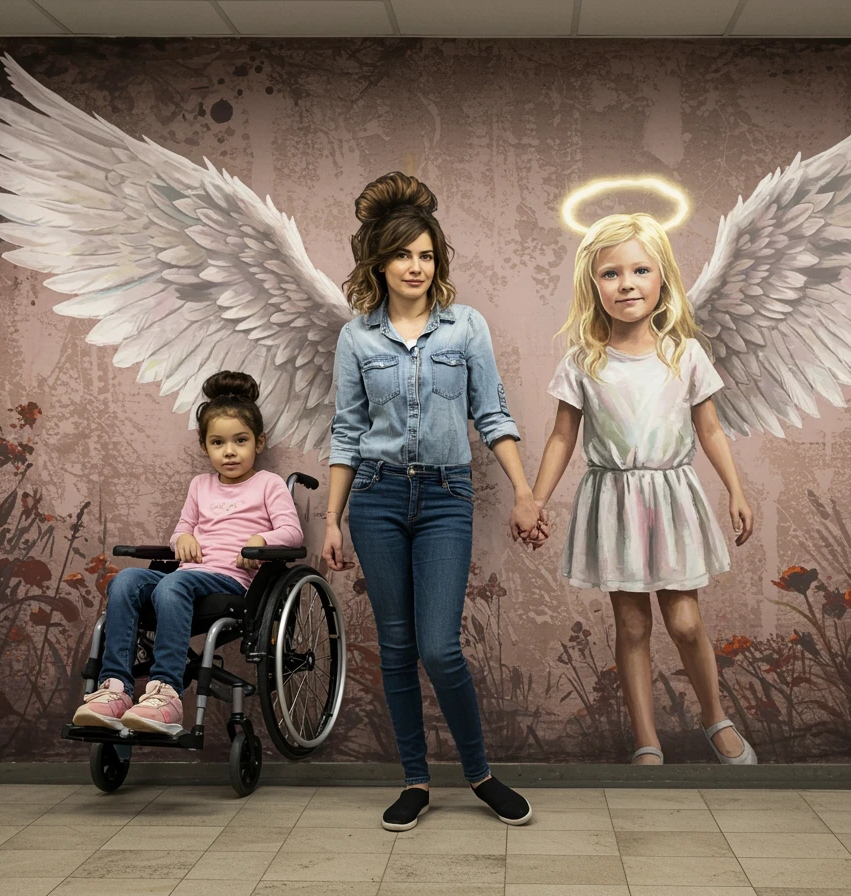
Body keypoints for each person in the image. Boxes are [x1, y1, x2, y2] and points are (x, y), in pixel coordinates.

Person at [324, 171, 539, 830]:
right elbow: (346, 432)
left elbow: (493, 414)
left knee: (439, 647)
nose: (415, 266)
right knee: (395, 648)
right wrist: (331, 519)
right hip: (377, 500)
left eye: (426, 255)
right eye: (403, 254)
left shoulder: (464, 327)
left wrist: (525, 492)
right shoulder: (357, 338)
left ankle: (479, 774)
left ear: (437, 262)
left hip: (446, 496)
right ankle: (414, 780)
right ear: (379, 261)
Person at [525, 213, 759, 765]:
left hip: (671, 499)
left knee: (684, 619)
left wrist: (736, 490)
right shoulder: (584, 361)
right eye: (611, 273)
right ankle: (646, 740)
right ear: (593, 286)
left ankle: (714, 717)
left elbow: (711, 430)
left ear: (662, 280)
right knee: (631, 623)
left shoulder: (685, 355)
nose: (626, 283)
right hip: (614, 501)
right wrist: (534, 498)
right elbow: (563, 437)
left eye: (639, 270)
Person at [72, 371, 304, 736]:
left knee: (171, 586)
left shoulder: (268, 484)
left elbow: (293, 533)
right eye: (218, 442)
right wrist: (182, 537)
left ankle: (166, 692)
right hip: (185, 577)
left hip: (229, 581)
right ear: (204, 446)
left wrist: (261, 539)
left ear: (259, 443)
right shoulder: (200, 485)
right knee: (125, 581)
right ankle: (115, 688)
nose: (230, 451)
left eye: (240, 441)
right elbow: (183, 527)